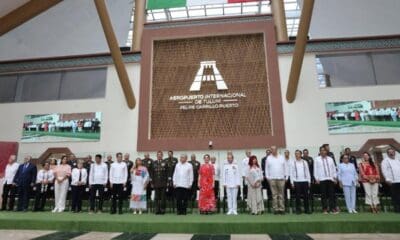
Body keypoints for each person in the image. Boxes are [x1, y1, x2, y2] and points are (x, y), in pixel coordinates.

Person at [314, 146, 338, 214]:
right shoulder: (317, 159)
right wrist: (316, 178)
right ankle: (325, 209)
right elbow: (315, 169)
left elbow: (333, 168)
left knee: (331, 195)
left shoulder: (330, 159)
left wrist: (335, 177)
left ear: (326, 151)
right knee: (323, 195)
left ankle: (332, 208)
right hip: (322, 179)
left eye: (324, 150)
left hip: (330, 178)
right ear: (320, 152)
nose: (323, 151)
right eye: (321, 150)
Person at [265, 146, 287, 214]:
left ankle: (282, 209)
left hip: (281, 178)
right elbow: (266, 169)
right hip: (272, 179)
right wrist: (267, 177)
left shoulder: (282, 157)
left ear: (277, 150)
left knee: (281, 195)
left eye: (274, 149)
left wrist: (286, 177)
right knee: (274, 195)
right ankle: (276, 209)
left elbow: (285, 167)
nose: (273, 150)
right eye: (272, 149)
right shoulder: (268, 158)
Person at [290, 150, 311, 214]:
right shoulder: (292, 162)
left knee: (306, 196)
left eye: (298, 153)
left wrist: (309, 181)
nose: (297, 155)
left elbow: (307, 172)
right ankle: (298, 210)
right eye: (295, 154)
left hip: (305, 181)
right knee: (297, 196)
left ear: (301, 154)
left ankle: (307, 209)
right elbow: (291, 173)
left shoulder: (305, 162)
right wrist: (292, 182)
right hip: (296, 181)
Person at [381, 148, 400, 213]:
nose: (391, 153)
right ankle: (397, 210)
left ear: (395, 152)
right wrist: (387, 179)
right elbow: (384, 170)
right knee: (395, 196)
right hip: (392, 181)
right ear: (387, 153)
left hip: (399, 180)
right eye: (390, 152)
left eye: (392, 152)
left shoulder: (397, 160)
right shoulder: (385, 161)